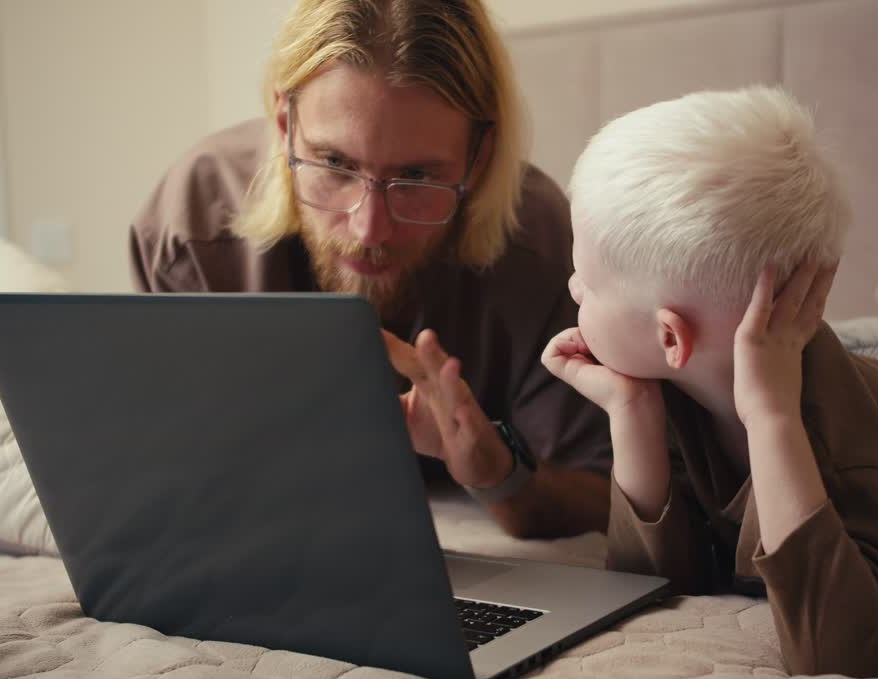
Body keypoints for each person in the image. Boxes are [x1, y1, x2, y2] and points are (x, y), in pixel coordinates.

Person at [541, 86, 878, 677]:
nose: (572, 289)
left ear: (671, 338)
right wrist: (633, 414)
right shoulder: (668, 376)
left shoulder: (850, 457)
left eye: (586, 280)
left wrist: (771, 420)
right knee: (797, 348)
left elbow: (850, 653)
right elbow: (653, 587)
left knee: (815, 366)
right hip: (834, 348)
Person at [129, 0, 612, 539]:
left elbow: (605, 493)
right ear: (285, 123)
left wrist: (498, 474)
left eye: (416, 176)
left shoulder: (540, 241)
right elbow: (171, 473)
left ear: (478, 159)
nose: (369, 229)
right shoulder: (194, 222)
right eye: (334, 165)